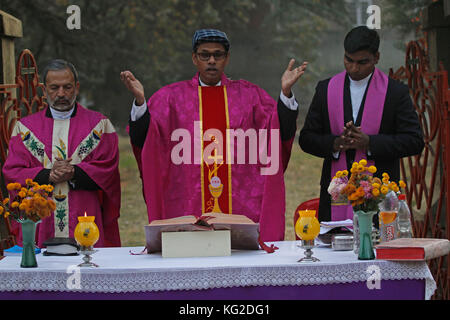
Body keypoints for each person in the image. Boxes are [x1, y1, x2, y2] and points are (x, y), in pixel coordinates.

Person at [121, 29, 307, 241]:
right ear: (194, 58)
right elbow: (145, 139)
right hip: (186, 201)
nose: (211, 61)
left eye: (218, 55)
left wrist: (286, 95)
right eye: (204, 55)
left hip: (239, 205)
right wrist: (139, 102)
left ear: (227, 58)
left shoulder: (250, 96)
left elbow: (277, 131)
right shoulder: (170, 98)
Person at [299, 26, 424, 223]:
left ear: (377, 57)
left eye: (362, 62)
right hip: (335, 197)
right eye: (349, 60)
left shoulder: (395, 92)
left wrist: (369, 143)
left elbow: (414, 141)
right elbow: (306, 138)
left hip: (381, 198)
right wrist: (335, 144)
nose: (354, 68)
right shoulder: (325, 89)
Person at [2, 59, 121, 248]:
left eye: (67, 87)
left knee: (89, 272)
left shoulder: (100, 125)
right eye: (54, 88)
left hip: (85, 215)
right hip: (42, 218)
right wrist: (48, 175)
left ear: (77, 87)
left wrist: (74, 173)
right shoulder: (24, 129)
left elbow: (109, 170)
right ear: (44, 89)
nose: (61, 94)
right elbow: (13, 172)